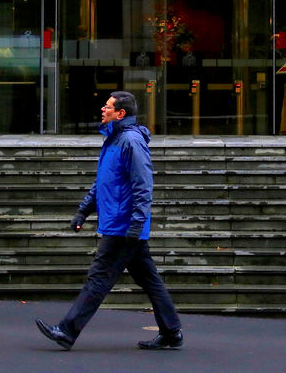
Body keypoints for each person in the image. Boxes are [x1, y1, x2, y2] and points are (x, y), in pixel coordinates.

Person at [35, 91, 183, 351]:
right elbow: (103, 182)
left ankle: (67, 330)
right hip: (121, 224)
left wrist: (137, 224)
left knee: (99, 278)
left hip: (124, 226)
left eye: (108, 106)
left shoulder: (131, 141)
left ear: (121, 113)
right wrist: (83, 210)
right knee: (149, 280)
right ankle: (171, 332)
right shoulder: (114, 139)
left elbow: (143, 185)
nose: (103, 109)